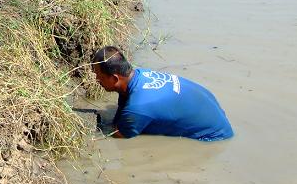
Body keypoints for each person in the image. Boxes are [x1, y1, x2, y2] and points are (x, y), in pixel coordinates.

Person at [92, 46, 233, 141]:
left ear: (115, 78)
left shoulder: (138, 108)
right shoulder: (142, 74)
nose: (97, 80)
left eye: (99, 76)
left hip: (214, 137)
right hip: (215, 114)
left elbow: (118, 135)